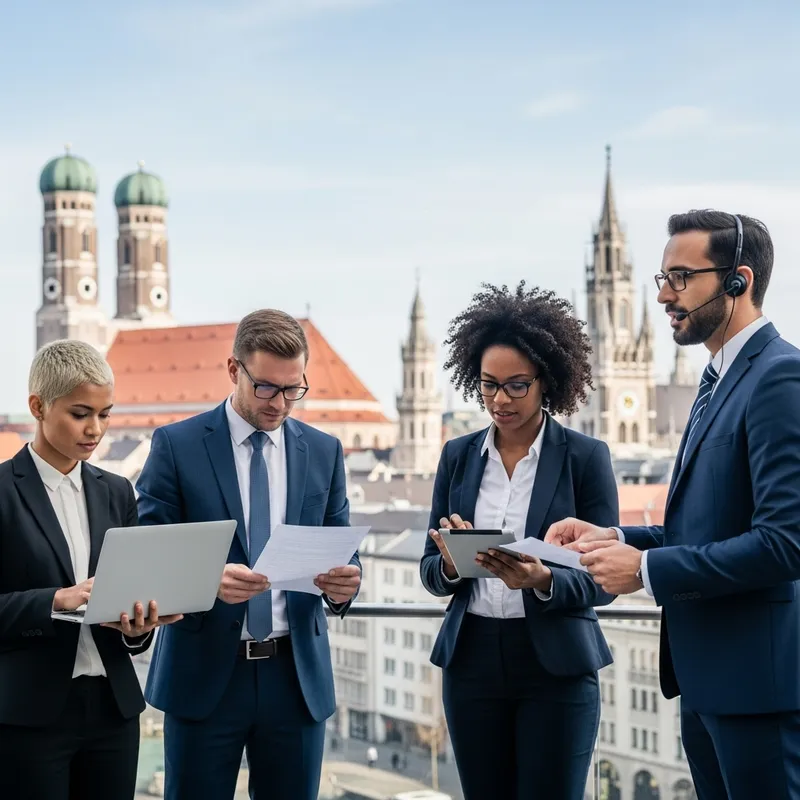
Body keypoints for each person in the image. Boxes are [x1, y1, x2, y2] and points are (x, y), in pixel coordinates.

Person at [546, 210, 800, 799]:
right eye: (663, 278)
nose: (663, 295)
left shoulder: (779, 377)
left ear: (737, 280)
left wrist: (645, 570)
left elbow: (786, 544)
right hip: (707, 685)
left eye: (680, 277)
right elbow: (708, 529)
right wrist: (617, 538)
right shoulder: (718, 381)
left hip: (759, 691)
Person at [137, 309, 362, 800]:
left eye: (293, 389)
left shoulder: (324, 451)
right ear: (233, 370)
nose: (280, 403)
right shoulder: (177, 445)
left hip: (295, 678)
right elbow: (146, 551)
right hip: (203, 677)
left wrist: (347, 584)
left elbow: (343, 547)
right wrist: (207, 577)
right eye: (266, 388)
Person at [420, 282, 619, 800]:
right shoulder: (457, 456)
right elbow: (429, 571)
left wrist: (544, 579)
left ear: (545, 381)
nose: (499, 399)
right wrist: (451, 564)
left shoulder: (585, 458)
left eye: (516, 385)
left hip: (555, 663)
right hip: (472, 662)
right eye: (488, 385)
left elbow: (605, 579)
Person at [0, 340, 181, 799]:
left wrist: (139, 627)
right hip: (27, 716)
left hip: (113, 711)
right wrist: (54, 601)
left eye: (105, 414)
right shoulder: (2, 492)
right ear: (38, 407)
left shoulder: (117, 491)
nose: (95, 429)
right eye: (80, 414)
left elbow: (130, 599)